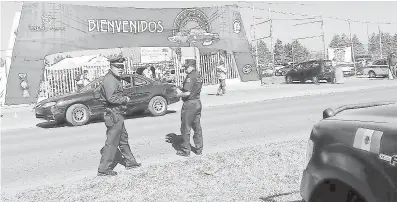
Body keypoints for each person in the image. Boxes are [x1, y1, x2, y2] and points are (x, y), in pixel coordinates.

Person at [97, 57, 141, 176]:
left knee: (123, 139)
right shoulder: (110, 79)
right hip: (113, 114)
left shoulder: (115, 78)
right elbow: (111, 98)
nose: (120, 69)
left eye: (122, 67)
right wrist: (124, 99)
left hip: (117, 114)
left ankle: (130, 162)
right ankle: (104, 169)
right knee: (111, 142)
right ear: (111, 66)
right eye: (118, 67)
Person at [175, 59, 203, 157]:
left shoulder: (190, 77)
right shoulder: (198, 75)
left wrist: (178, 94)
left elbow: (187, 93)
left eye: (187, 67)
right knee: (197, 127)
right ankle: (199, 149)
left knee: (185, 128)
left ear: (192, 66)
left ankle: (185, 150)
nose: (185, 69)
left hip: (189, 104)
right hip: (197, 102)